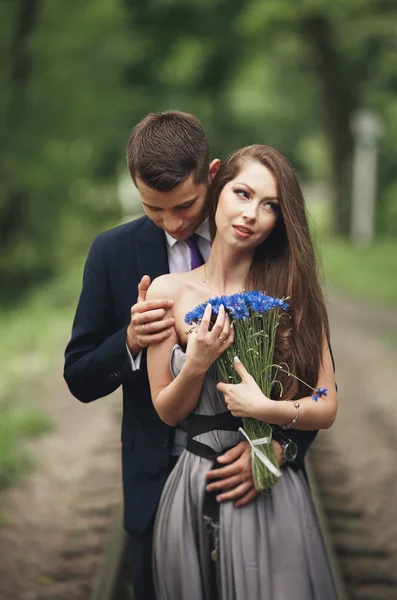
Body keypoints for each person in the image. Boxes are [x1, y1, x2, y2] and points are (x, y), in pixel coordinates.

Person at [64, 112, 321, 600]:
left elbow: (306, 376)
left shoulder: (267, 250)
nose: (173, 223)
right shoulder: (111, 253)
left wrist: (281, 448)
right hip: (156, 486)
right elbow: (79, 376)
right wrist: (131, 340)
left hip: (258, 479)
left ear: (213, 175)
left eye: (185, 206)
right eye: (154, 210)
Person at [147, 144, 338, 599]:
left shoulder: (294, 293)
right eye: (243, 193)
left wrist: (265, 413)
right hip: (194, 485)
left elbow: (325, 404)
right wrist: (194, 365)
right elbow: (166, 411)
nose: (251, 213)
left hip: (270, 487)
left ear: (279, 220)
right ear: (218, 191)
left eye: (269, 205)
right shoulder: (166, 291)